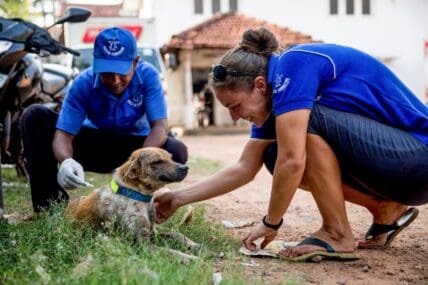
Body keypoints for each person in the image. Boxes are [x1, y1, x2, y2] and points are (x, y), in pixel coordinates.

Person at [154, 27, 428, 261]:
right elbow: (244, 168)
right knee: (272, 154)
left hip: (418, 156)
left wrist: (271, 222)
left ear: (260, 85)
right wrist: (178, 198)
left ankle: (336, 233)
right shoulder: (279, 99)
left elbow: (293, 160)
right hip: (402, 170)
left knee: (298, 133)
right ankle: (385, 208)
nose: (235, 116)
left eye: (235, 106)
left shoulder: (293, 64)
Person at [21, 27, 188, 213]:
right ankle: (49, 207)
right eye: (107, 72)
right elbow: (63, 135)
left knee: (176, 150)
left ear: (135, 63)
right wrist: (66, 161)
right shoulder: (83, 83)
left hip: (134, 148)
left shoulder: (149, 76)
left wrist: (139, 161)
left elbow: (159, 126)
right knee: (34, 116)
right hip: (94, 145)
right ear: (96, 64)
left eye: (122, 72)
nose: (115, 80)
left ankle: (145, 203)